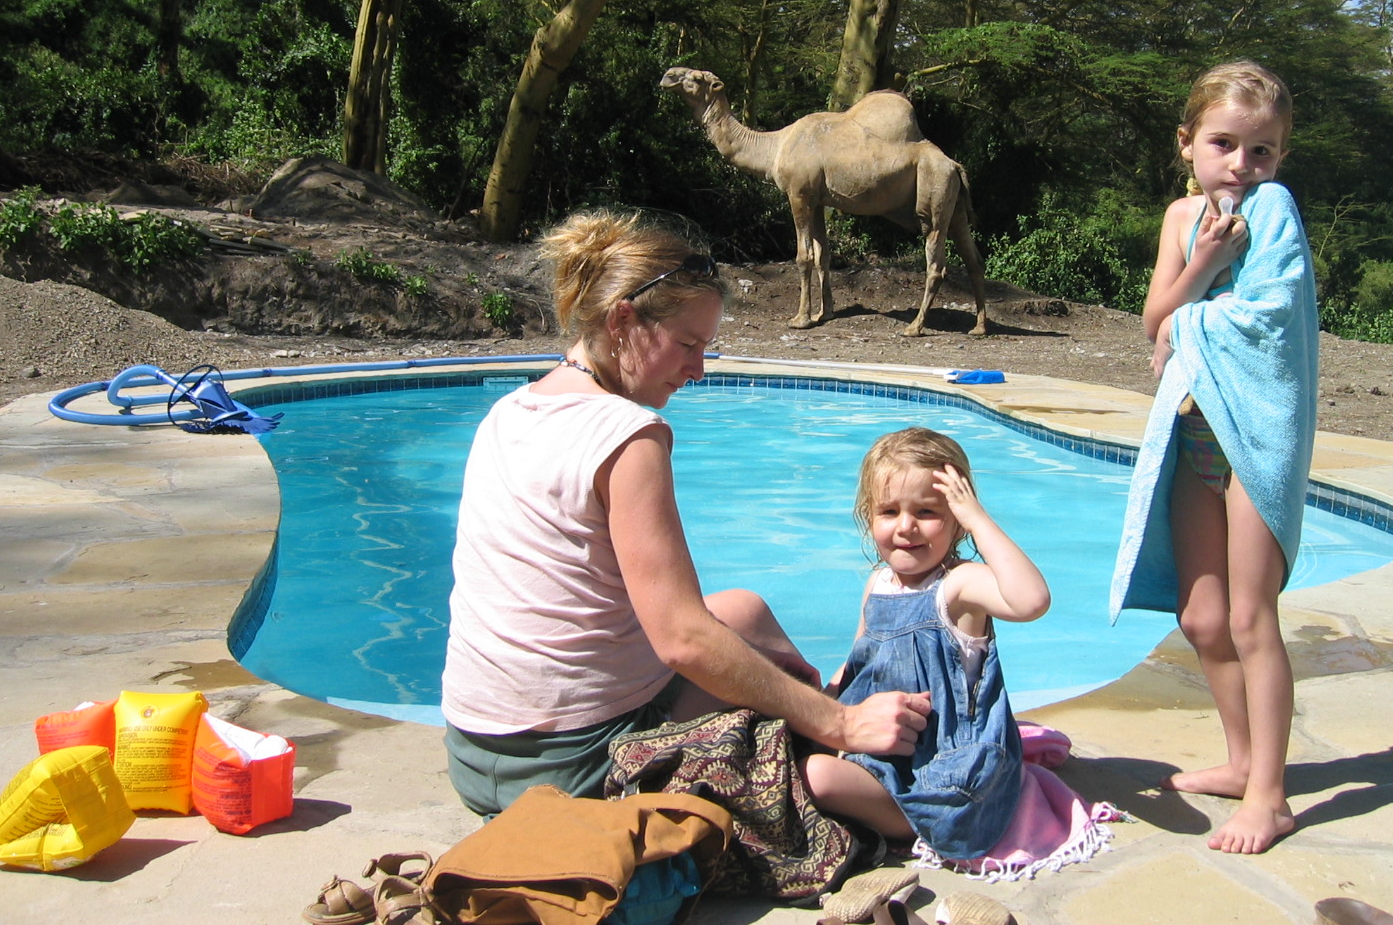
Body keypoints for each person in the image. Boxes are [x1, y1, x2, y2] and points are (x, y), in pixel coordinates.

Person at [440, 208, 931, 817]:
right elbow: (682, 640)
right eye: (688, 345)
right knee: (779, 710)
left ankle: (831, 714)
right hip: (573, 766)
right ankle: (850, 739)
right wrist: (840, 724)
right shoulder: (627, 435)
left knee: (744, 611)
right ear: (623, 320)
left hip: (474, 752)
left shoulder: (510, 411)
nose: (698, 370)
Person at [1109, 61, 1319, 854]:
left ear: (1280, 157)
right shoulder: (1179, 217)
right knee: (1201, 617)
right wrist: (1200, 264)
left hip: (1254, 434)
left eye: (1261, 150)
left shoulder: (1273, 210)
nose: (1241, 164)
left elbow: (1270, 315)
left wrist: (1189, 321)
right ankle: (1240, 762)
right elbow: (1154, 319)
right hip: (1194, 431)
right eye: (1224, 144)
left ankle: (1270, 795)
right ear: (1187, 143)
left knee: (1249, 616)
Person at [802, 427, 1052, 863]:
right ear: (868, 516)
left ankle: (912, 821)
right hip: (877, 745)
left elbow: (1031, 601)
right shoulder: (878, 583)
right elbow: (860, 663)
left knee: (815, 776)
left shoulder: (958, 586)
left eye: (927, 511)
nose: (906, 527)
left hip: (940, 773)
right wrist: (822, 709)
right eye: (889, 511)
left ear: (956, 520)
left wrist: (978, 519)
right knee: (786, 743)